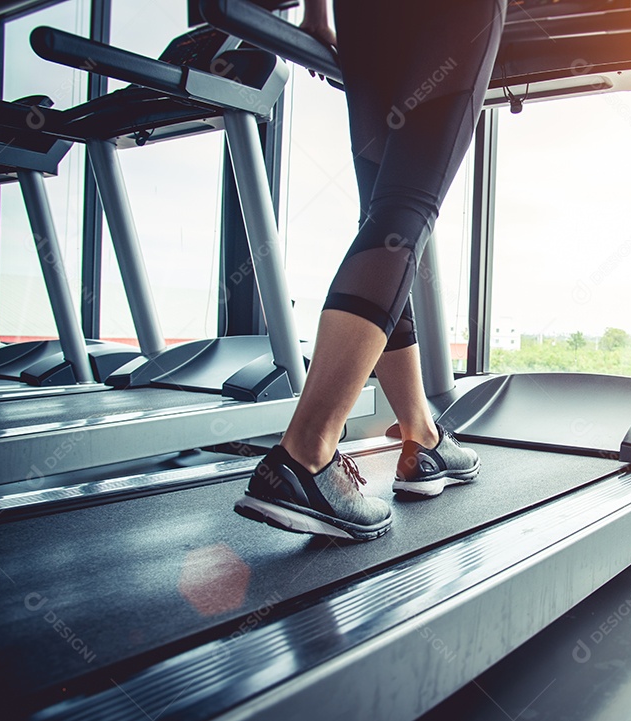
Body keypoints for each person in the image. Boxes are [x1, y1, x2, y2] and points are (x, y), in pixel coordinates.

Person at [234, 0, 507, 541]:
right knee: (404, 215)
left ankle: (422, 435)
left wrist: (316, 12)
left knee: (385, 215)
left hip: (364, 15)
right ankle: (306, 452)